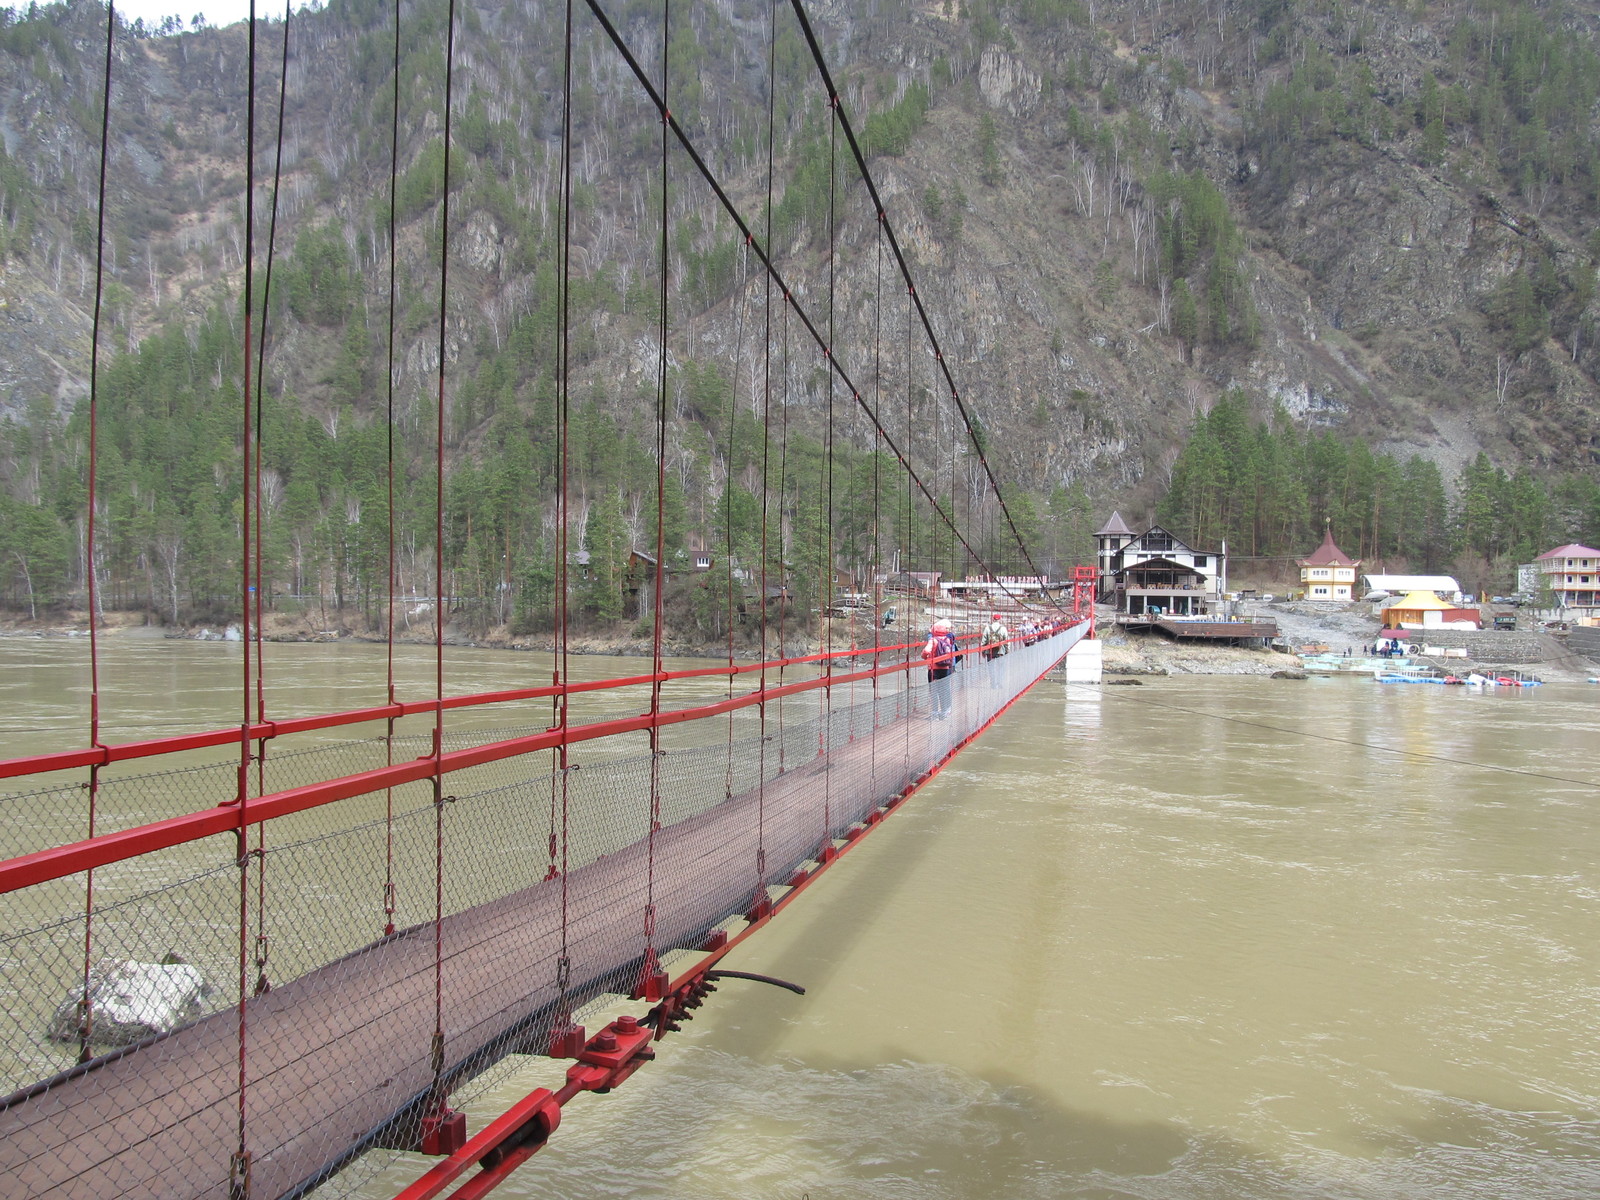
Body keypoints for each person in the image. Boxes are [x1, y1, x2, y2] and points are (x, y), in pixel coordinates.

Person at [921, 618, 959, 719]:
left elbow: (926, 651)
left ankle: (934, 714)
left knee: (934, 691)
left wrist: (924, 657)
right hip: (946, 668)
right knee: (945, 690)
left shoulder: (933, 640)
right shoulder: (948, 640)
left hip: (934, 669)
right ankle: (945, 712)